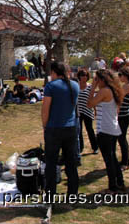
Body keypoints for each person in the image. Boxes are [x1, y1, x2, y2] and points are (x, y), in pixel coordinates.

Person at [41, 61, 80, 201]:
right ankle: (73, 193)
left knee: (51, 163)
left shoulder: (51, 86)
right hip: (70, 128)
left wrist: (44, 126)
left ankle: (50, 195)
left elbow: (45, 109)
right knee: (71, 162)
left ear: (54, 72)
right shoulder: (75, 85)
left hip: (54, 128)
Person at [87, 69, 125, 193]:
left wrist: (92, 88)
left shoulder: (104, 91)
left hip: (105, 130)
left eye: (97, 79)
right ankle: (119, 183)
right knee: (112, 158)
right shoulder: (114, 90)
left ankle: (113, 187)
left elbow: (90, 104)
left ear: (102, 80)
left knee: (109, 160)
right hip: (112, 128)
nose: (96, 82)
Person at [117, 67, 129, 171]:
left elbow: (118, 99)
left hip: (123, 116)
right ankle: (125, 160)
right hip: (123, 115)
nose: (119, 77)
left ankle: (125, 163)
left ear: (125, 76)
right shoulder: (126, 85)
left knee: (122, 139)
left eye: (120, 75)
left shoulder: (127, 86)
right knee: (121, 139)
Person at [76, 69, 99, 155]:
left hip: (88, 111)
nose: (84, 77)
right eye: (82, 75)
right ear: (79, 76)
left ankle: (95, 147)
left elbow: (93, 99)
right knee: (79, 131)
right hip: (78, 111)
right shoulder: (76, 86)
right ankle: (80, 147)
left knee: (90, 130)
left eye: (85, 75)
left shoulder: (90, 87)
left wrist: (95, 110)